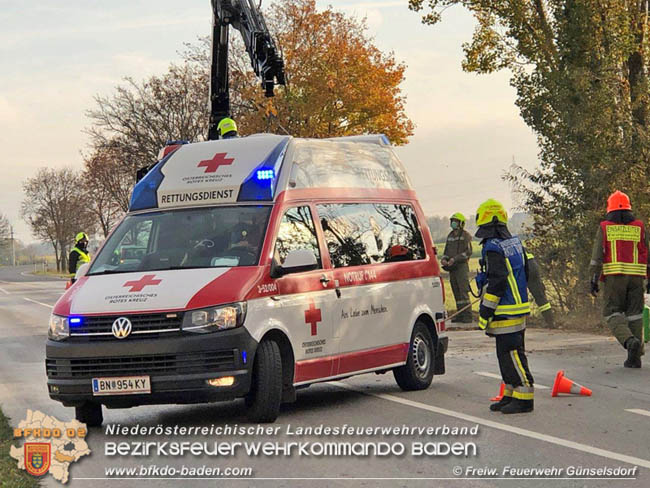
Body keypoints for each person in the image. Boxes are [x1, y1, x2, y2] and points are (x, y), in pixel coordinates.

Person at [475, 199, 534, 414]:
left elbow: (498, 281)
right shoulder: (515, 243)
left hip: (505, 310)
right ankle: (511, 393)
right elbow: (526, 274)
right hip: (517, 308)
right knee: (506, 354)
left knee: (512, 353)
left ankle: (525, 397)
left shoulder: (492, 248)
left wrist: (485, 312)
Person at [589, 190, 648, 368]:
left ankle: (629, 341)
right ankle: (635, 358)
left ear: (610, 209)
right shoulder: (639, 226)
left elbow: (597, 256)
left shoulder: (605, 227)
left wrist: (593, 278)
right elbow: (646, 252)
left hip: (615, 279)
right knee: (635, 315)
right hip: (637, 278)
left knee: (611, 313)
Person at [441, 212, 473, 323]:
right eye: (452, 221)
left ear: (461, 223)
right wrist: (444, 259)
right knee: (456, 291)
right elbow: (446, 251)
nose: (453, 223)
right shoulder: (450, 236)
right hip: (452, 268)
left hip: (461, 267)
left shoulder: (466, 235)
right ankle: (460, 315)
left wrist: (455, 259)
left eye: (455, 221)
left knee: (463, 291)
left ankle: (468, 316)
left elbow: (468, 252)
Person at [526, 251, 554, 327]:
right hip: (532, 262)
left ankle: (522, 321)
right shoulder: (513, 241)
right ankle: (550, 322)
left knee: (518, 294)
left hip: (521, 265)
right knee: (539, 295)